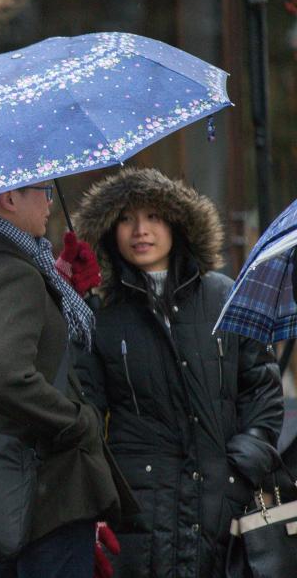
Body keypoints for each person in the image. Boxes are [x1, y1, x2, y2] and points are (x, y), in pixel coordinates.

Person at [74, 168, 284, 578]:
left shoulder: (224, 295)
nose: (140, 230)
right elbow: (86, 414)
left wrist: (240, 467)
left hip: (223, 506)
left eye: (153, 216)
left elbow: (262, 389)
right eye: (125, 219)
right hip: (141, 517)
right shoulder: (100, 316)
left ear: (177, 224)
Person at [0, 183, 124, 578]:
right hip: (47, 493)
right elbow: (4, 379)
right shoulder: (15, 273)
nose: (51, 202)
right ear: (10, 198)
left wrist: (60, 288)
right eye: (44, 191)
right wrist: (78, 421)